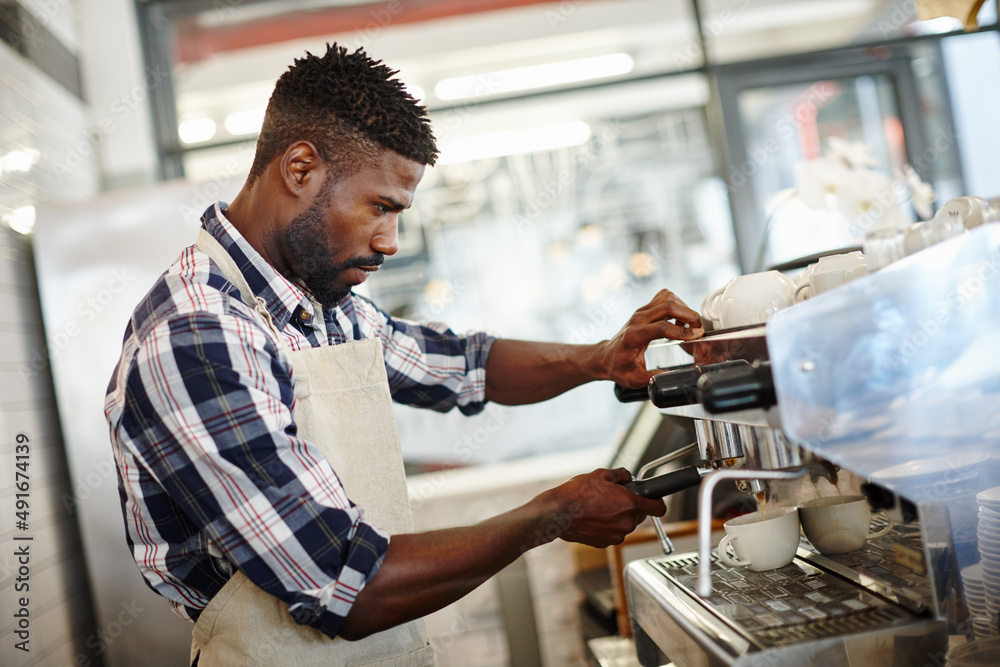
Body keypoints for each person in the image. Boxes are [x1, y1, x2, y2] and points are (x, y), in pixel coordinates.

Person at [104, 43, 704, 667]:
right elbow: (346, 584)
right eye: (381, 208)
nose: (390, 242)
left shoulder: (319, 301)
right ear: (301, 168)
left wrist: (600, 358)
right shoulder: (196, 336)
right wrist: (550, 516)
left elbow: (461, 365)